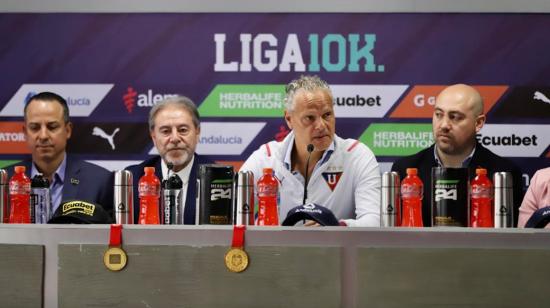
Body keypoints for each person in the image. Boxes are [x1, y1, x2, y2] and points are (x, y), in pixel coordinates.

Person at [240, 75, 381, 227]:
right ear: (289, 119)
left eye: (327, 115)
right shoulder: (265, 159)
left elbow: (375, 220)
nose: (321, 125)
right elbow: (232, 216)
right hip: (277, 251)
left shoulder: (357, 156)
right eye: (310, 118)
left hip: (336, 250)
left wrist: (334, 228)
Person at [391, 84, 524, 227]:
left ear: (478, 123)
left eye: (455, 117)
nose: (443, 125)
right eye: (438, 115)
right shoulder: (405, 169)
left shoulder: (503, 174)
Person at [9, 91, 113, 216]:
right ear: (25, 132)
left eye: (52, 127)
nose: (43, 136)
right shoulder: (4, 182)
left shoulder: (99, 181)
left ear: (68, 130)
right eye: (35, 127)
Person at [126, 96, 210, 224]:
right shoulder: (133, 179)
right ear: (153, 136)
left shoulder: (218, 180)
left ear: (197, 132)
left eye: (183, 130)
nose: (175, 138)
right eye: (166, 131)